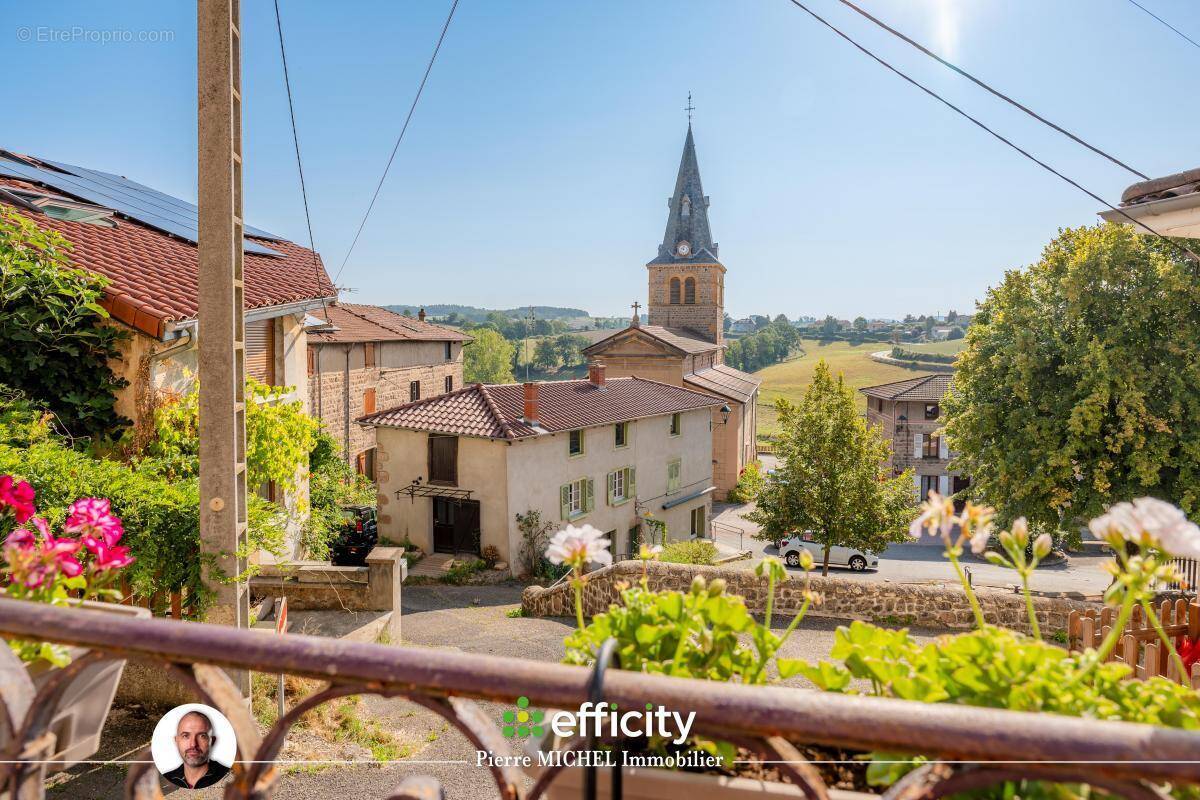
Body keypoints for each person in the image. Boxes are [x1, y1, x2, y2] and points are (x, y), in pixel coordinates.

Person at [161, 710, 230, 789]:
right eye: (185, 736)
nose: (193, 744)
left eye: (202, 736)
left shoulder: (231, 778)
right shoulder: (163, 782)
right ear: (176, 741)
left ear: (212, 741)